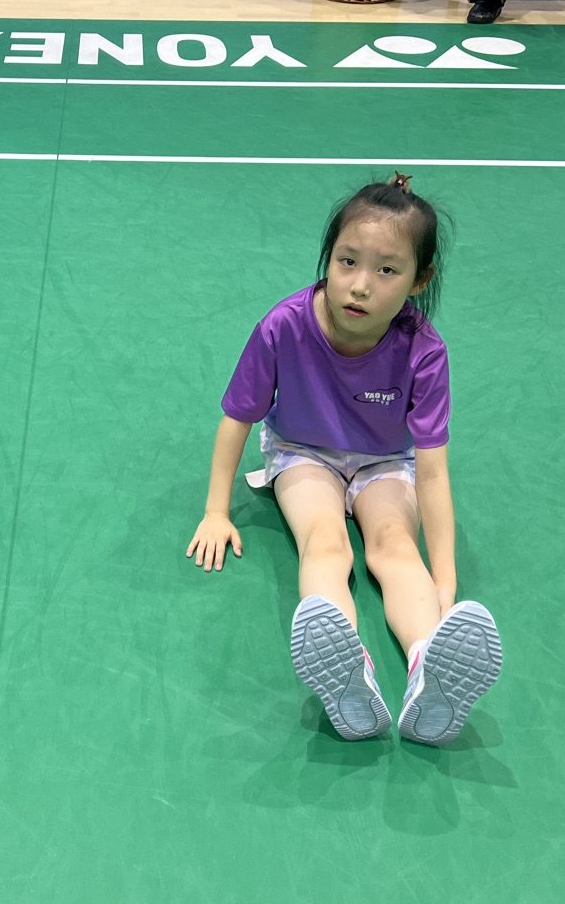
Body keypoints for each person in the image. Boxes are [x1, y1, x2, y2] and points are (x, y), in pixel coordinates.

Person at [186, 175, 502, 746]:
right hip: (303, 453)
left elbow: (432, 471)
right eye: (347, 261)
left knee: (396, 547)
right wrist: (216, 511)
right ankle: (350, 673)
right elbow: (237, 417)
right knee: (325, 541)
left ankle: (429, 668)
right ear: (328, 257)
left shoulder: (425, 353)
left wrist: (445, 575)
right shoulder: (284, 326)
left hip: (385, 461)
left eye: (387, 270)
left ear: (419, 280)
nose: (359, 285)